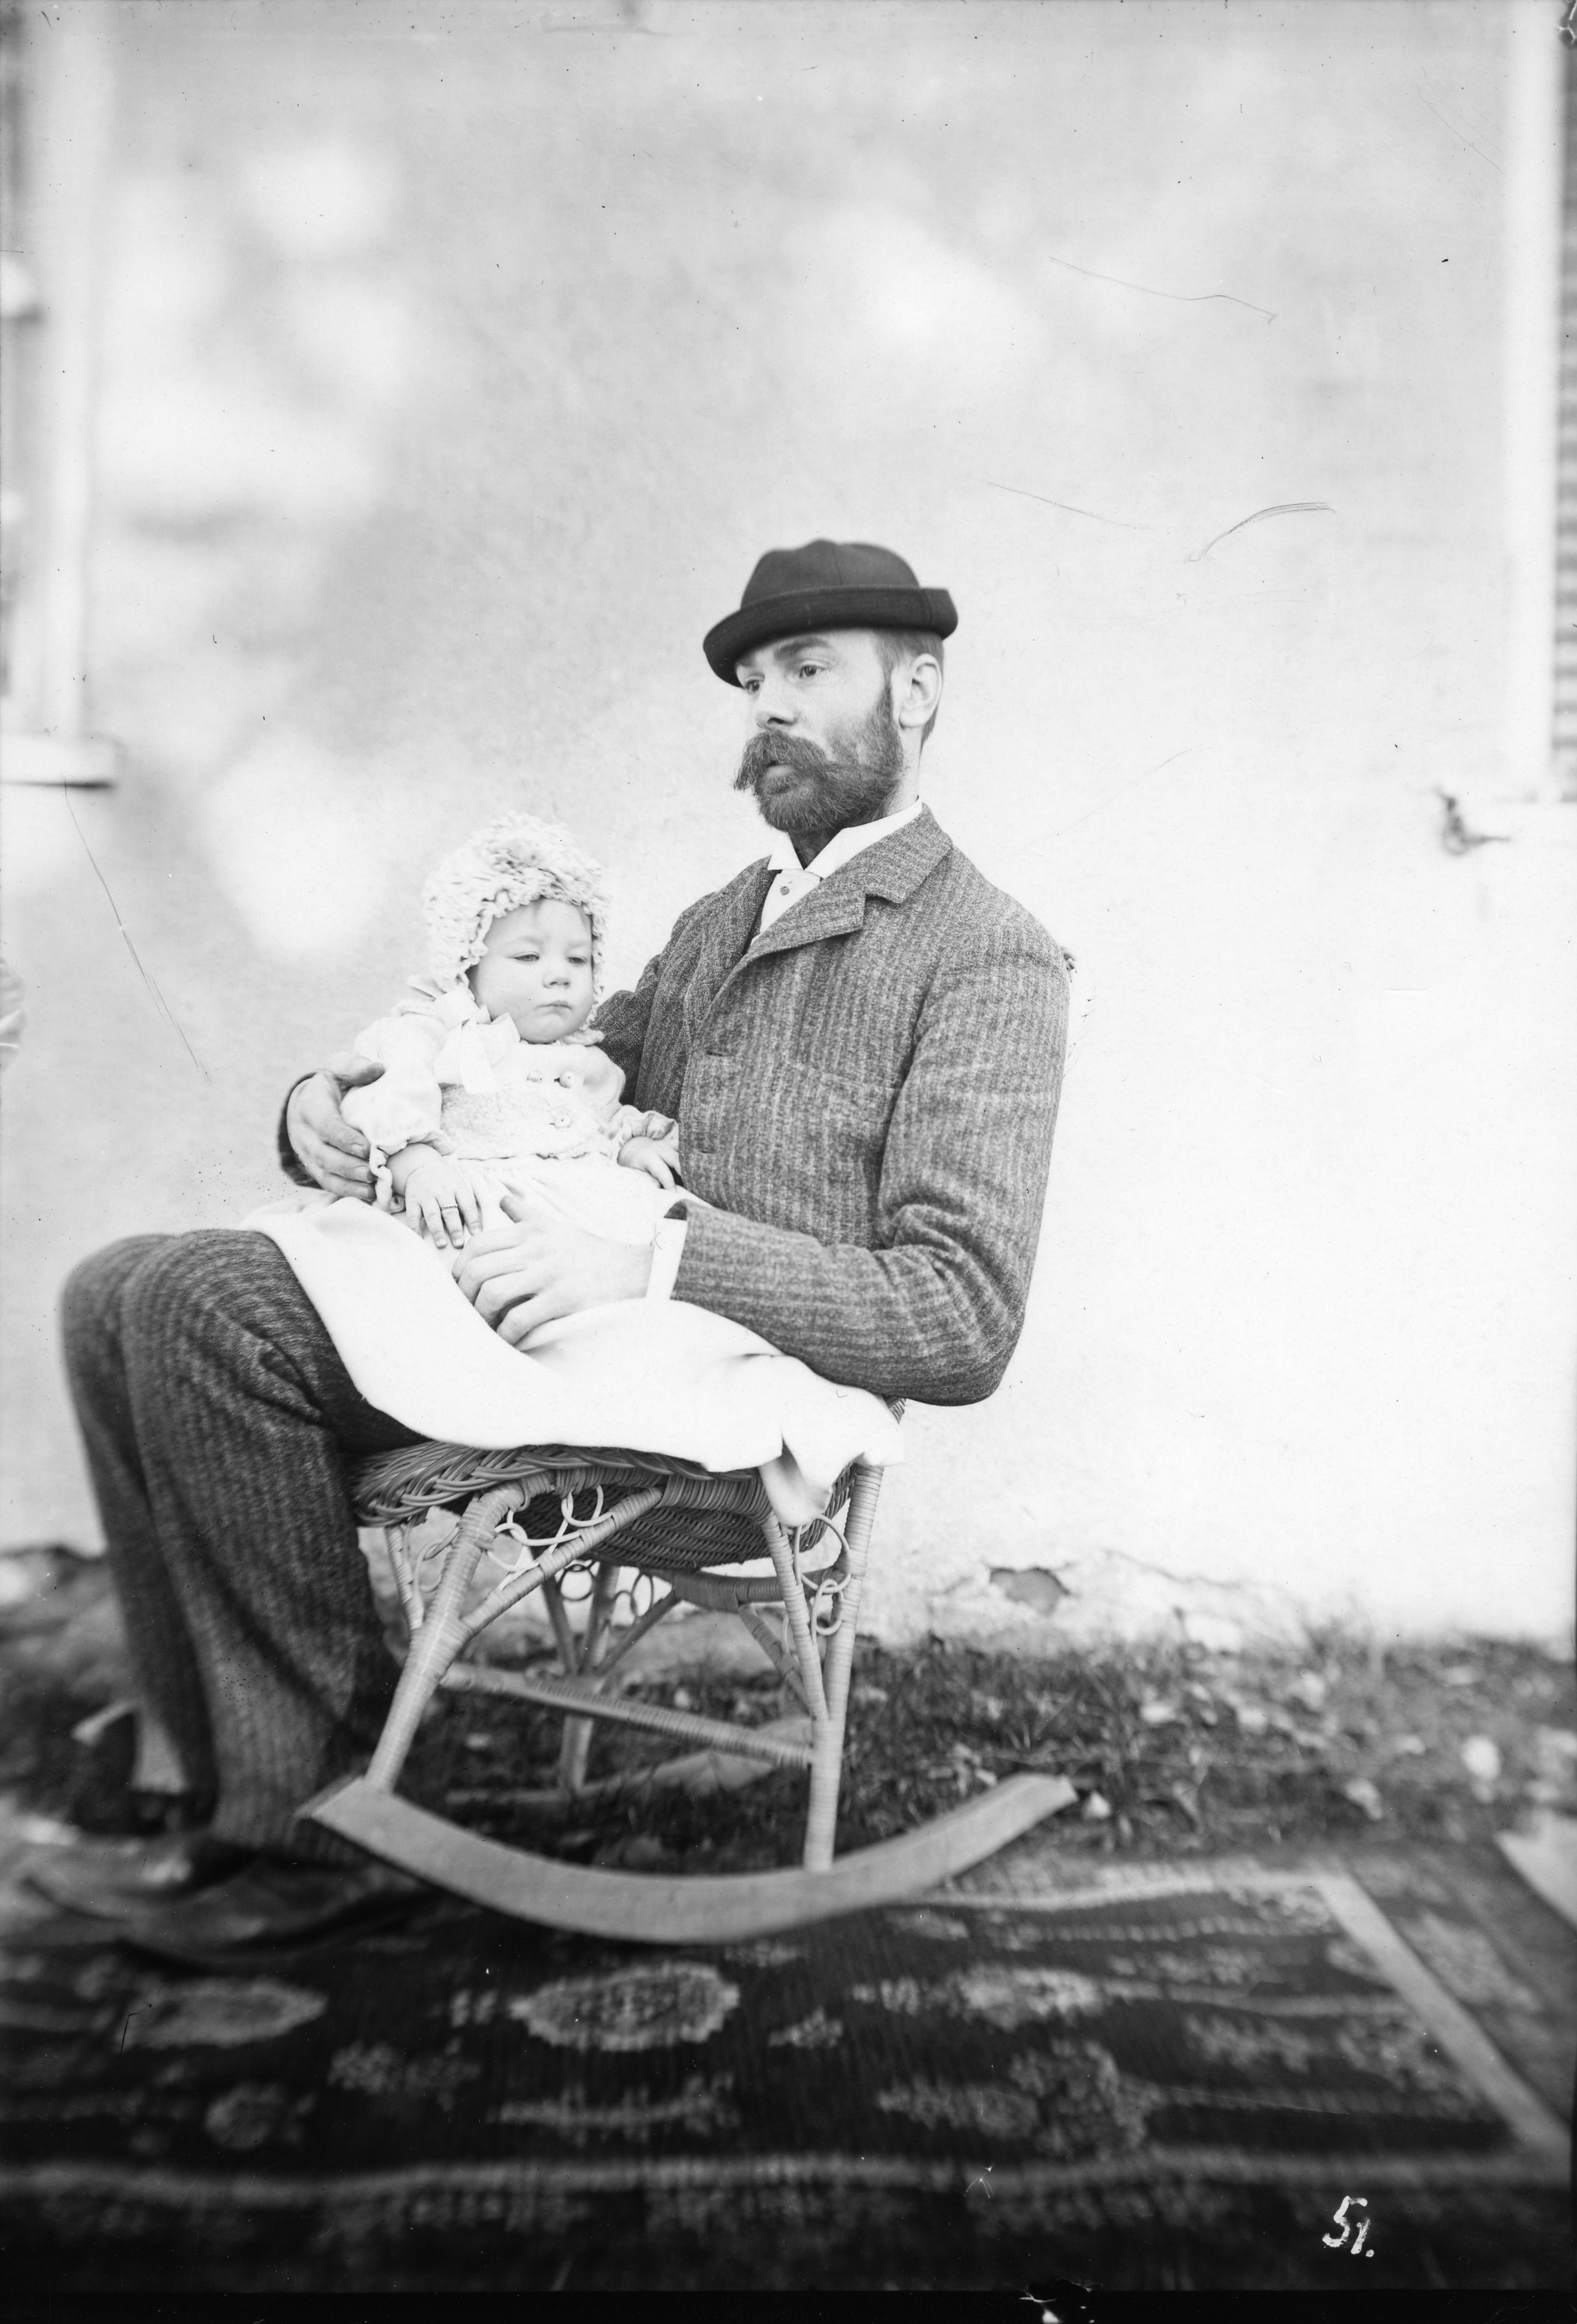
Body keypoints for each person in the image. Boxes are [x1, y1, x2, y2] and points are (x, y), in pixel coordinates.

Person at [44, 538, 1070, 1960]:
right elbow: (551, 1068)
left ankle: (303, 1823)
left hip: (716, 1388)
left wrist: (654, 1262)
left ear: (920, 691)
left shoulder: (986, 955)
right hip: (544, 1321)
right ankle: (216, 1790)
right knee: (116, 1294)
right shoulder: (728, 917)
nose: (767, 708)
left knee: (207, 1309)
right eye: (754, 680)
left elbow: (960, 1317)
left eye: (809, 671)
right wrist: (327, 1103)